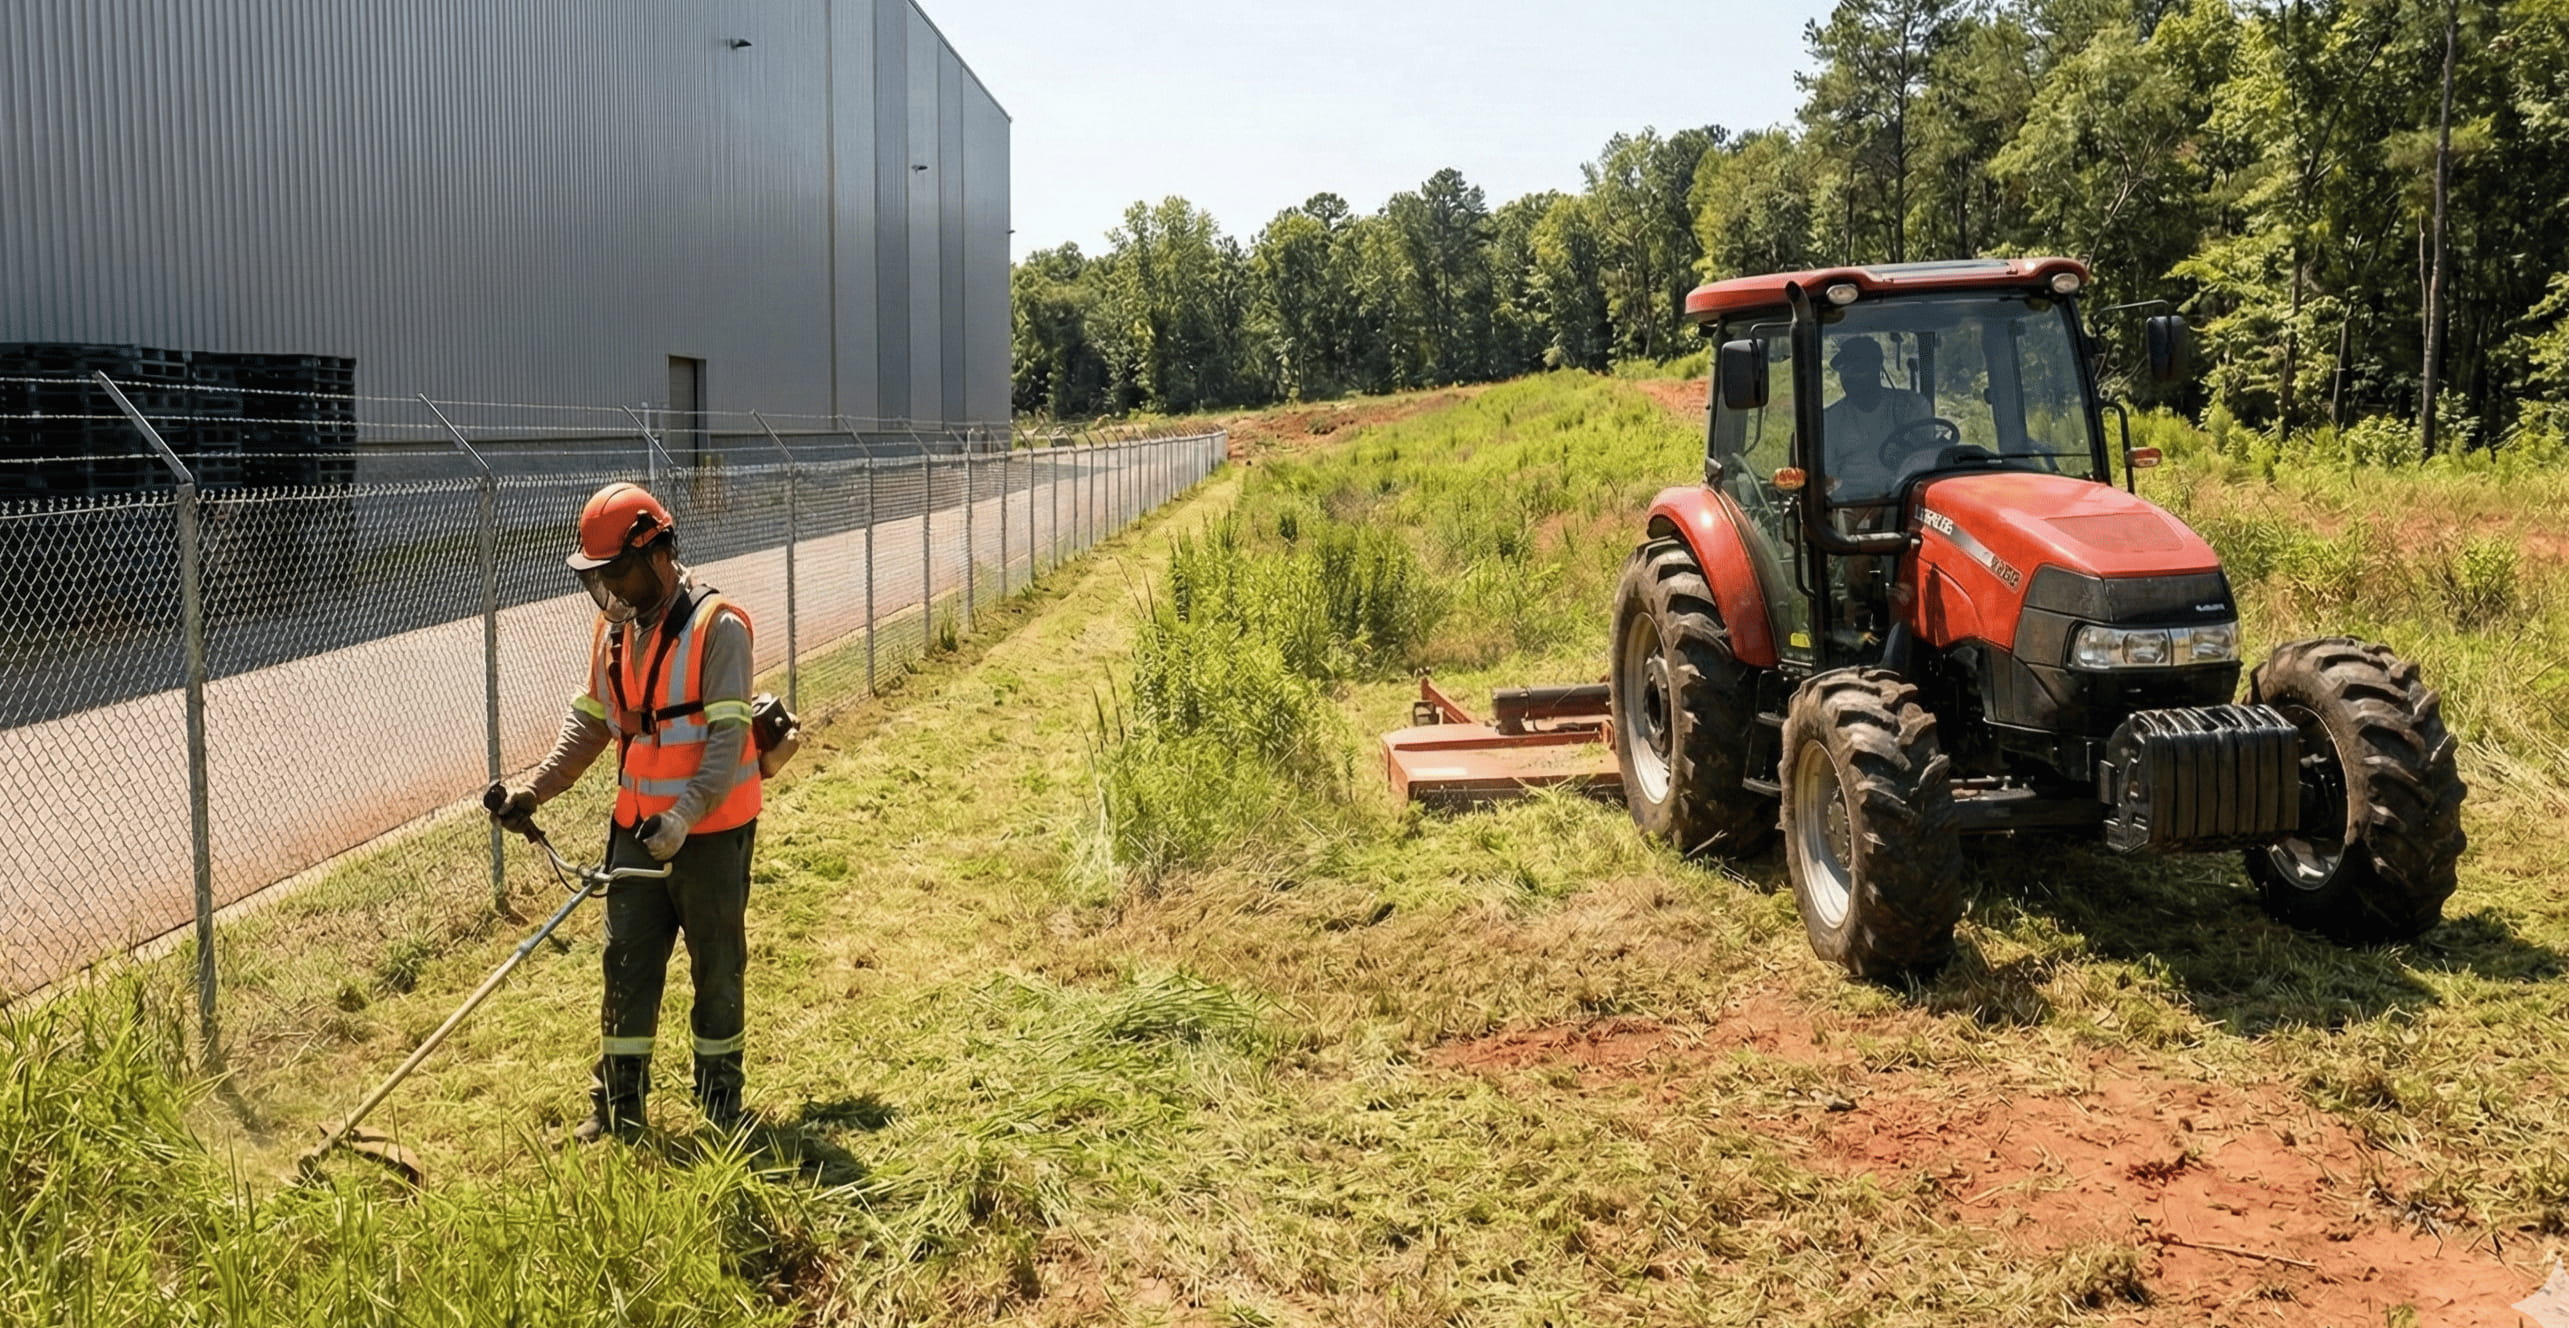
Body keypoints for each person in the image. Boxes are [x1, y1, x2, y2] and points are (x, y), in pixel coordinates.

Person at [488, 482, 762, 1141]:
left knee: (715, 966)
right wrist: (534, 790)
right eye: (598, 577)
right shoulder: (612, 635)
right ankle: (616, 1112)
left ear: (657, 552)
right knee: (626, 965)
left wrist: (683, 817)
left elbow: (726, 739)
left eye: (618, 572)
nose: (609, 590)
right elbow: (592, 724)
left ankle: (720, 1106)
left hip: (709, 834)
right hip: (636, 832)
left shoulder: (716, 627)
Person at [1819, 337, 1931, 501]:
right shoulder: (1831, 419)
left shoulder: (1910, 406)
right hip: (1850, 505)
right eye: (1845, 370)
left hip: (1904, 499)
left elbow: (1925, 458)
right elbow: (1828, 476)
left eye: (1858, 368)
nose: (1850, 377)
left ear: (1877, 368)